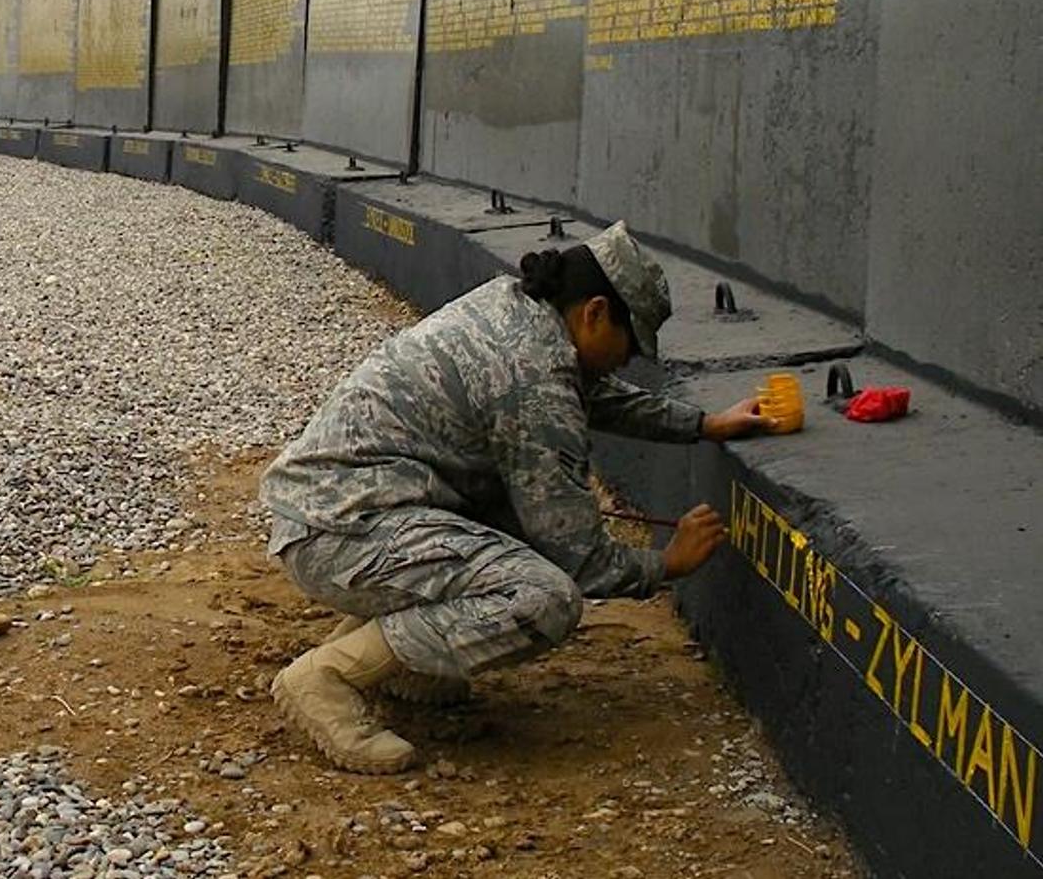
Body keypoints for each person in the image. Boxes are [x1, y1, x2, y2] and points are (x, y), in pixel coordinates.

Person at [259, 221, 770, 774]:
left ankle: (403, 662)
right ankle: (326, 677)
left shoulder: (520, 314)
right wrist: (664, 564)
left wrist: (703, 424)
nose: (629, 360)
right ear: (595, 312)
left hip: (342, 511)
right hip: (341, 532)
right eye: (631, 343)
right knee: (543, 597)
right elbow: (578, 554)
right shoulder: (531, 375)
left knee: (510, 522)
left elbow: (589, 395)